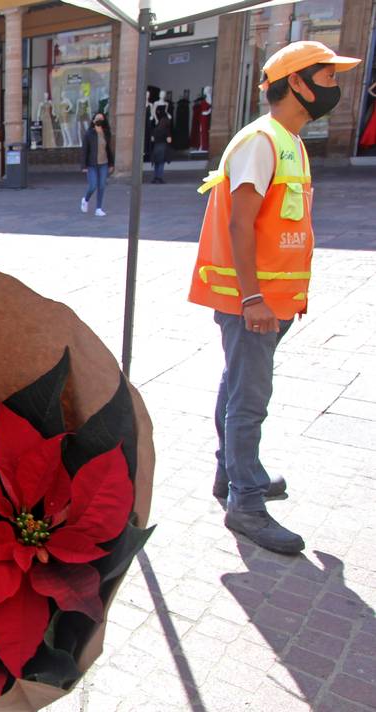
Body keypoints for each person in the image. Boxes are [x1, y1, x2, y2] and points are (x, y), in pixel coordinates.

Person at [189, 41, 360, 555]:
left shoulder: (288, 140)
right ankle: (246, 504)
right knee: (250, 400)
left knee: (238, 386)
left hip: (270, 304)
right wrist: (253, 299)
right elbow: (241, 224)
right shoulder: (261, 141)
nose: (336, 87)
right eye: (327, 78)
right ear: (298, 84)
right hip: (254, 304)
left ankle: (237, 474)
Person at [80, 113, 113, 216]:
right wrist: (83, 166)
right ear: (93, 120)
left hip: (103, 163)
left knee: (102, 186)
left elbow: (108, 149)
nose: (99, 120)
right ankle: (85, 199)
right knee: (93, 185)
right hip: (92, 164)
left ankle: (98, 208)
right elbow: (84, 150)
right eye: (97, 118)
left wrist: (111, 163)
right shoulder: (89, 133)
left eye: (101, 119)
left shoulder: (106, 133)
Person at [150, 109, 172, 184]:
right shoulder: (166, 130)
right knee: (161, 164)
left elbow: (152, 139)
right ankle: (160, 178)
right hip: (163, 147)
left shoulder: (155, 129)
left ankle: (155, 177)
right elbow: (169, 140)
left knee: (156, 163)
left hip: (156, 147)